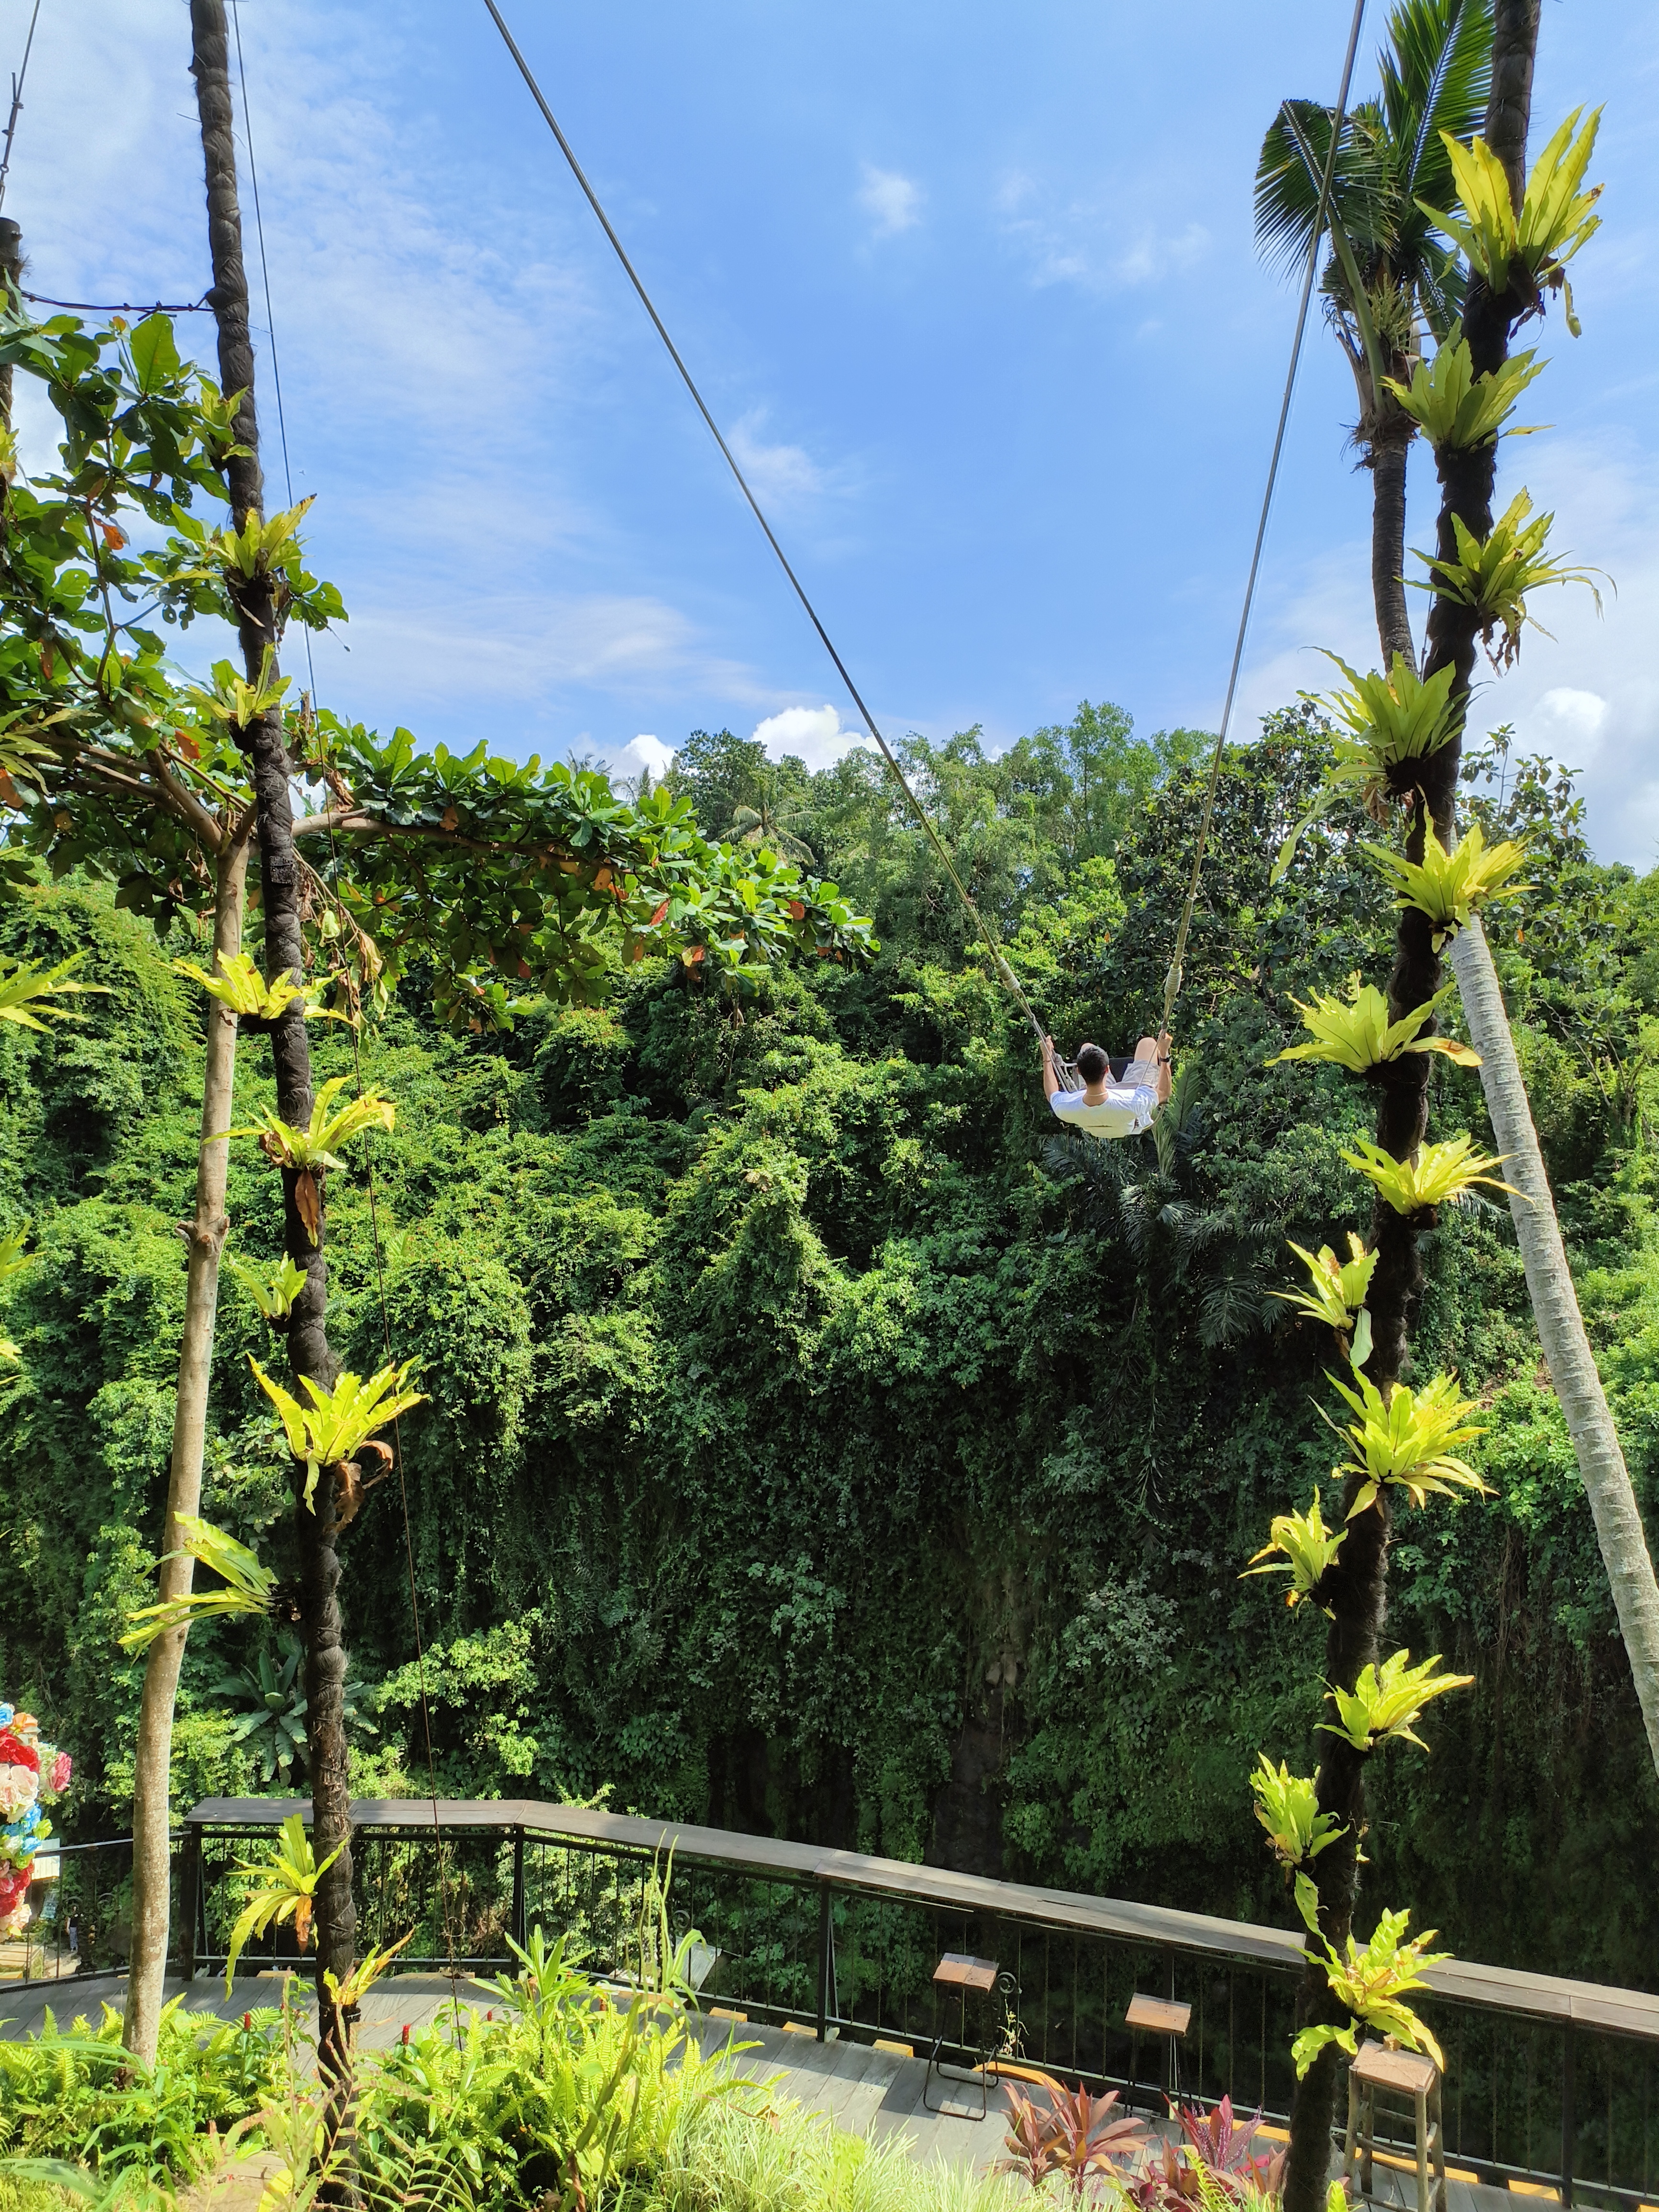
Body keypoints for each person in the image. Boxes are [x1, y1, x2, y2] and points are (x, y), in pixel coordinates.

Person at [1041, 1030, 1172, 1140]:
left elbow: (1052, 1094)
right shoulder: (1135, 1102)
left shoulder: (1068, 1106)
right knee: (1148, 1043)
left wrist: (1047, 1058)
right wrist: (1164, 1054)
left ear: (1079, 1072)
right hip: (1129, 1101)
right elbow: (1163, 1093)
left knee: (1087, 1048)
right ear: (1107, 1070)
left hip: (1112, 1107)